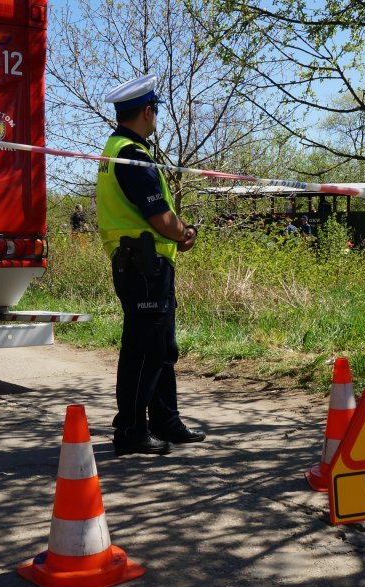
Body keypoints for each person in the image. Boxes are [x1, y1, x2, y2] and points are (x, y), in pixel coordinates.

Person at [96, 73, 206, 456]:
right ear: (147, 111)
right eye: (155, 112)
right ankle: (130, 429)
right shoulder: (132, 153)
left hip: (143, 265)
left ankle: (165, 420)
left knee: (161, 346)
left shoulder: (116, 148)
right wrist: (185, 233)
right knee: (145, 349)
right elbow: (159, 216)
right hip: (144, 267)